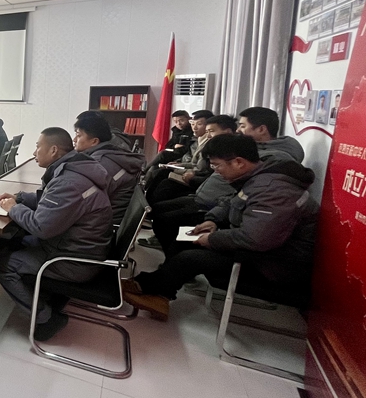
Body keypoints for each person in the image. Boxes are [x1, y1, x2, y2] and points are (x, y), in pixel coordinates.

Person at [123, 134, 319, 321]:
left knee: (190, 257)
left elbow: (256, 239)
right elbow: (232, 201)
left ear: (239, 162)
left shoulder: (273, 190)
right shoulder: (259, 174)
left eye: (217, 165)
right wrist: (213, 220)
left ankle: (152, 290)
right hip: (263, 248)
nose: (215, 171)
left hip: (276, 263)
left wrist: (212, 239)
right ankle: (156, 291)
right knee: (183, 240)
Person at [0, 128, 112, 341]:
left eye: (38, 146)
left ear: (54, 150)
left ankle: (46, 319)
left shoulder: (68, 182)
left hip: (74, 260)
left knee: (4, 265)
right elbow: (51, 203)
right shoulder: (75, 169)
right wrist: (20, 198)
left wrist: (13, 208)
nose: (34, 152)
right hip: (82, 247)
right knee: (14, 239)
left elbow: (41, 227)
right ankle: (43, 294)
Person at [142, 115, 238, 252]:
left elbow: (207, 173)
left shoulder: (233, 154)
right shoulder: (213, 146)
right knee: (161, 183)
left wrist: (192, 178)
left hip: (207, 201)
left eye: (211, 131)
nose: (208, 135)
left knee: (166, 195)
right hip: (201, 194)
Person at [72, 111, 144, 224]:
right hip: (107, 216)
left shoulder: (99, 164)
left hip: (101, 223)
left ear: (94, 141)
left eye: (79, 135)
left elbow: (80, 198)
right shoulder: (107, 154)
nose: (74, 139)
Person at [237, 106, 304, 162]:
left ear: (261, 129)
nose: (237, 130)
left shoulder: (274, 159)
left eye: (243, 126)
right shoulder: (289, 150)